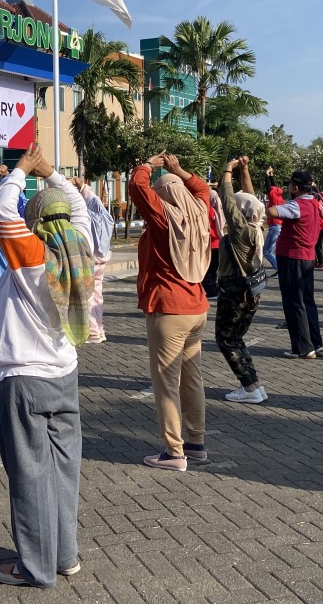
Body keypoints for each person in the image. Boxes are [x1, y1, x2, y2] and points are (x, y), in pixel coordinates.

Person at [0, 143, 92, 587]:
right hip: (64, 375)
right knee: (65, 471)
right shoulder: (81, 247)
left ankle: (35, 566)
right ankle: (65, 555)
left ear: (36, 222)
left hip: (23, 379)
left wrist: (21, 171)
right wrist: (53, 175)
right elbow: (80, 211)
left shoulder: (31, 255)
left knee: (30, 476)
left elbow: (0, 213)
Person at [129, 150, 211, 471]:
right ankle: (196, 443)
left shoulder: (163, 217)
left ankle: (174, 453)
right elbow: (202, 190)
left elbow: (138, 187)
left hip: (168, 309)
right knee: (192, 379)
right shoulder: (200, 213)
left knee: (166, 383)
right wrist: (180, 170)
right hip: (196, 308)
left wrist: (149, 165)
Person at [213, 157, 269, 402]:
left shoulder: (240, 232)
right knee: (235, 338)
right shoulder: (256, 225)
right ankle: (254, 384)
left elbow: (227, 201)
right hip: (249, 291)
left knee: (226, 339)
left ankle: (249, 388)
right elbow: (250, 197)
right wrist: (245, 170)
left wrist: (227, 170)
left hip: (234, 291)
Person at [270, 167, 323, 360]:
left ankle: (302, 347)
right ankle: (315, 343)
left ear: (295, 187)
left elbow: (273, 211)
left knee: (294, 303)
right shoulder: (314, 203)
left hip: (293, 257)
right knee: (307, 301)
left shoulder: (296, 205)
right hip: (307, 257)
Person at [71, 176, 115, 343]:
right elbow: (94, 200)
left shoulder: (83, 217)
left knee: (88, 297)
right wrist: (83, 186)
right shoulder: (102, 216)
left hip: (90, 260)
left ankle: (92, 332)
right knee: (97, 296)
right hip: (102, 258)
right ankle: (99, 329)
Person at [0, 164, 27, 307]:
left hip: (0, 278)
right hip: (21, 277)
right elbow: (22, 200)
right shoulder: (24, 217)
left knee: (2, 317)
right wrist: (9, 177)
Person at [263, 167, 284, 276]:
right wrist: (271, 175)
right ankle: (280, 269)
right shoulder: (280, 197)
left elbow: (268, 188)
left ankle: (280, 270)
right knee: (270, 251)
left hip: (275, 226)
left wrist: (266, 176)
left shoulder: (274, 199)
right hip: (278, 226)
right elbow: (273, 187)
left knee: (266, 251)